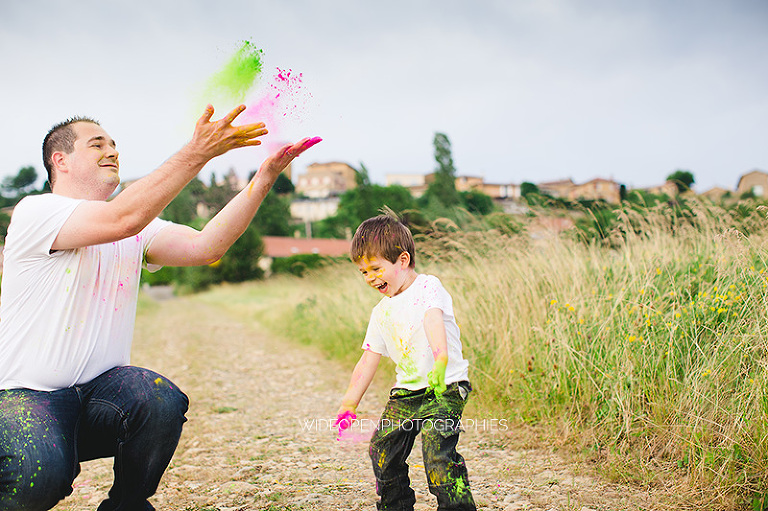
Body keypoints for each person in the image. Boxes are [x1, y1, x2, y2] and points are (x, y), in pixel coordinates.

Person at [0, 104, 321, 511]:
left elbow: (206, 247)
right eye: (97, 143)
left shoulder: (136, 227)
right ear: (59, 161)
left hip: (99, 396)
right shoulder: (36, 212)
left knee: (158, 398)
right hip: (26, 397)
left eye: (114, 144)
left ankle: (128, 505)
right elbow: (125, 218)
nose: (111, 150)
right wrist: (198, 152)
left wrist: (264, 180)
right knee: (38, 481)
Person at [335, 214, 477, 511]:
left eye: (376, 268)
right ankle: (396, 506)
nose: (371, 278)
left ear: (402, 260)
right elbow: (368, 358)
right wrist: (350, 401)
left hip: (445, 385)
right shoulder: (381, 311)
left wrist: (441, 361)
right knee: (382, 450)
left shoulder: (427, 287)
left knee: (437, 457)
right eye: (363, 272)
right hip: (407, 392)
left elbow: (432, 320)